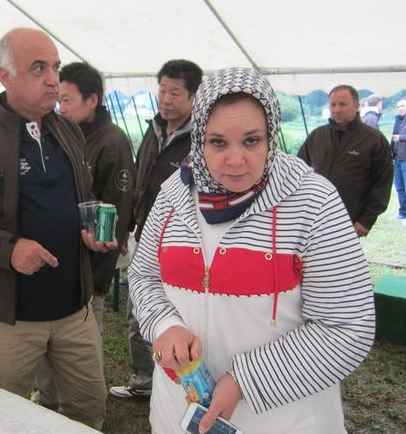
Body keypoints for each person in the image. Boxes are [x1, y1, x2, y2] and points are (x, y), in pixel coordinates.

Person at [129, 67, 376, 434]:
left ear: (271, 136)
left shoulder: (313, 202)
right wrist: (165, 325)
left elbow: (347, 326)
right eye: (218, 142)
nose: (235, 160)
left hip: (286, 421)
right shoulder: (173, 195)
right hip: (177, 412)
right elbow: (144, 275)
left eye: (251, 141)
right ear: (199, 139)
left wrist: (246, 380)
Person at [0, 28, 112, 430]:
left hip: (74, 310)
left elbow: (82, 196)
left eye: (56, 68)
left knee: (88, 409)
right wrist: (8, 247)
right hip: (7, 318)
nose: (53, 79)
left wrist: (91, 226)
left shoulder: (69, 131)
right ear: (5, 77)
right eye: (38, 68)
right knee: (5, 417)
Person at [32, 62, 135, 409]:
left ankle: (78, 405)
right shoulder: (57, 134)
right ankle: (47, 399)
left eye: (68, 100)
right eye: (58, 100)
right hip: (55, 262)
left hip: (87, 269)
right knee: (47, 338)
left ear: (92, 100)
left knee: (82, 345)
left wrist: (96, 281)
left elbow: (115, 216)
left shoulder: (112, 142)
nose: (60, 108)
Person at [110, 59, 203, 400]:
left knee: (181, 312)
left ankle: (183, 382)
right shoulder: (154, 129)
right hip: (146, 236)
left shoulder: (201, 138)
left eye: (174, 93)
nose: (165, 99)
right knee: (140, 308)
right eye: (162, 91)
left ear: (193, 97)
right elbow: (139, 181)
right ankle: (144, 379)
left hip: (183, 245)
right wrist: (127, 227)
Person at [297, 85, 393, 237]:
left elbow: (383, 183)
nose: (336, 110)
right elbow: (298, 171)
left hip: (349, 221)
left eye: (342, 104)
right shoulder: (317, 136)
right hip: (312, 217)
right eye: (333, 105)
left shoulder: (374, 140)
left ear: (356, 106)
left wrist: (367, 220)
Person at [391, 98, 406, 220]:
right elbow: (393, 137)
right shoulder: (398, 120)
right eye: (398, 106)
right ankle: (402, 212)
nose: (400, 108)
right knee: (399, 187)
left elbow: (398, 137)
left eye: (402, 106)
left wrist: (401, 137)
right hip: (397, 158)